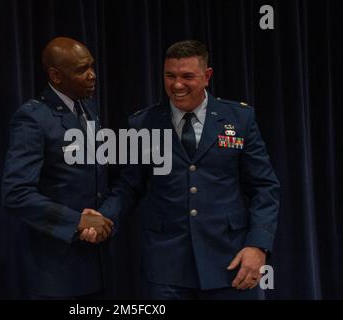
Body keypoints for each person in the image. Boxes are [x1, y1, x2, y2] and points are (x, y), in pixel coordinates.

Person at [83, 40, 280, 299]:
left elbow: (264, 187)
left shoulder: (239, 119)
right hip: (167, 266)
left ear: (207, 76)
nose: (177, 85)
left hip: (230, 259)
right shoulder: (143, 123)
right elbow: (129, 186)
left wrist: (258, 245)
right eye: (170, 76)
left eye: (187, 76)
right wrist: (102, 218)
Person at [2, 37, 114, 299]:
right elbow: (16, 194)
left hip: (95, 263)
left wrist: (102, 218)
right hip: (55, 270)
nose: (92, 75)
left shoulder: (89, 109)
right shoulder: (33, 118)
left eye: (92, 66)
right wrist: (77, 221)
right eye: (81, 69)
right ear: (56, 75)